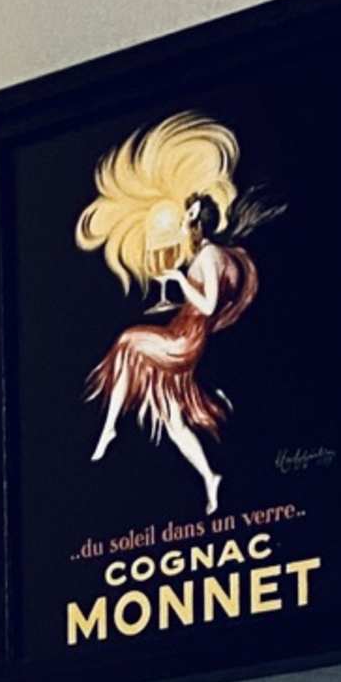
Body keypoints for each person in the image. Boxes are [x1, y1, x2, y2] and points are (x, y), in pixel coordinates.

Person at [73, 116, 268, 518]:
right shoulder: (210, 255)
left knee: (128, 341)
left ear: (199, 222)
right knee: (173, 421)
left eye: (187, 217)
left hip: (186, 339)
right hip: (184, 330)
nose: (182, 223)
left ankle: (110, 427)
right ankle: (210, 478)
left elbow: (208, 306)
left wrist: (179, 280)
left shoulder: (209, 255)